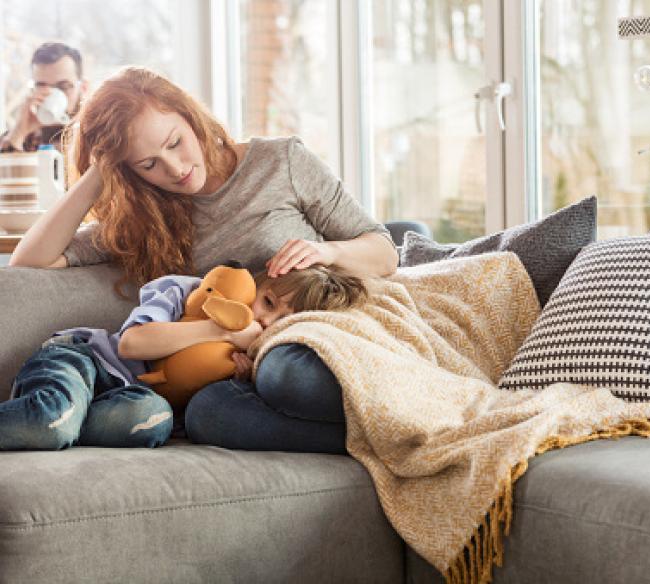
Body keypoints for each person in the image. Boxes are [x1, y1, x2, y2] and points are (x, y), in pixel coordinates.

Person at [8, 65, 397, 453]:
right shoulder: (146, 220)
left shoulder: (282, 163)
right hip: (232, 375)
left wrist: (327, 251)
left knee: (286, 375)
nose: (174, 169)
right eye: (148, 164)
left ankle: (383, 433)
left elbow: (384, 253)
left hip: (305, 342)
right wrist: (99, 171)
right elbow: (30, 261)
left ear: (191, 117)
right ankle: (375, 442)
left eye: (175, 142)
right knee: (206, 415)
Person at [0, 263, 367, 451]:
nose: (263, 320)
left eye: (281, 322)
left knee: (152, 421)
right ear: (258, 282)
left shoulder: (259, 359)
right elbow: (132, 345)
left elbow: (200, 399)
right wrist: (219, 330)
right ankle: (48, 415)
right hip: (85, 362)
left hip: (133, 400)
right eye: (268, 302)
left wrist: (241, 377)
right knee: (50, 418)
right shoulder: (192, 292)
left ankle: (65, 422)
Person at [0, 42, 88, 153]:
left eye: (63, 86)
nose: (50, 95)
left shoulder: (98, 136)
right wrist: (18, 134)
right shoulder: (21, 137)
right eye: (41, 86)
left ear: (83, 87)